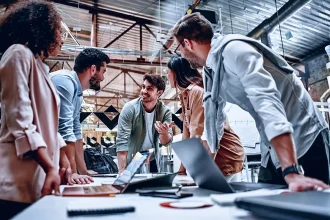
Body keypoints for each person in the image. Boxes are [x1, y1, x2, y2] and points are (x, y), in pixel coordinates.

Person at [171, 13, 330, 191]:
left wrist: (291, 171)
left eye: (179, 49)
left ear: (187, 43)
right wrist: (203, 175)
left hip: (305, 135)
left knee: (311, 206)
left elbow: (267, 102)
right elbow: (213, 118)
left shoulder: (235, 50)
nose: (181, 55)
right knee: (265, 202)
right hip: (271, 143)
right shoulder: (211, 71)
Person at [0, 0, 65, 216]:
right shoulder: (18, 54)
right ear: (43, 27)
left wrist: (61, 164)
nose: (62, 38)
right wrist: (51, 167)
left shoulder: (39, 65)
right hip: (17, 180)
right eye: (59, 29)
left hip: (39, 176)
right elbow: (21, 120)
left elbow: (49, 127)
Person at [167, 56, 244, 181]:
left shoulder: (196, 92)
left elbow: (196, 134)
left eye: (168, 72)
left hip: (225, 155)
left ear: (176, 73)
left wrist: (193, 171)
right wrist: (182, 170)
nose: (167, 76)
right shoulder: (185, 95)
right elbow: (186, 134)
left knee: (214, 198)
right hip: (212, 158)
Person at [51, 48, 110, 184]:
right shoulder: (64, 81)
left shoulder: (77, 93)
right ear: (93, 69)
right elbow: (64, 129)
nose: (103, 77)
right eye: (103, 71)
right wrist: (72, 172)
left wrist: (83, 171)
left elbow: (75, 131)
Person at [116, 74, 173, 173]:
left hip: (153, 160)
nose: (144, 91)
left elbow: (166, 142)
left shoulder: (165, 111)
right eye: (143, 87)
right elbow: (122, 141)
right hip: (132, 161)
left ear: (159, 92)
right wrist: (122, 170)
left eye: (149, 88)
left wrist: (164, 133)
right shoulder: (130, 108)